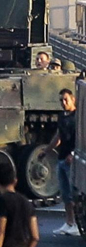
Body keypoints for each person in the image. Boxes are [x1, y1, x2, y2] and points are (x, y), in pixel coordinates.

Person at [48, 88, 77, 235]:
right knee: (65, 194)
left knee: (74, 193)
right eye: (61, 100)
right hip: (61, 158)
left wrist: (73, 153)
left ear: (73, 100)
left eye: (66, 99)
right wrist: (47, 150)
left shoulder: (77, 117)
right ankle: (69, 222)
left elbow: (82, 138)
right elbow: (58, 136)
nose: (63, 102)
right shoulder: (62, 116)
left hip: (72, 160)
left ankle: (77, 225)